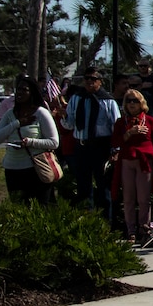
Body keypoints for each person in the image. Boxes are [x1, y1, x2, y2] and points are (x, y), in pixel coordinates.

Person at [0, 77, 60, 204]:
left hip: (35, 169)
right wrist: (17, 123)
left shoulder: (41, 113)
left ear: (32, 92)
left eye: (24, 89)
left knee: (39, 209)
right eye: (18, 89)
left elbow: (54, 142)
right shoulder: (9, 114)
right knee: (19, 208)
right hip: (12, 170)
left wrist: (29, 142)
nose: (20, 93)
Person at [63, 68, 121, 211]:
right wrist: (63, 116)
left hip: (101, 148)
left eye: (93, 79)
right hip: (81, 147)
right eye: (87, 78)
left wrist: (116, 150)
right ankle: (87, 219)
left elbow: (116, 127)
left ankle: (107, 222)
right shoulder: (76, 99)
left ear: (100, 82)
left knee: (103, 186)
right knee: (83, 186)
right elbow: (69, 124)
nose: (89, 82)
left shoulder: (108, 101)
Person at [111, 89, 153, 243]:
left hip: (145, 162)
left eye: (135, 100)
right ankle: (131, 231)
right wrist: (129, 133)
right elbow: (115, 142)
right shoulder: (121, 123)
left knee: (144, 198)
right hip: (127, 161)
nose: (132, 104)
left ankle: (144, 229)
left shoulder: (149, 120)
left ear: (141, 103)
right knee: (128, 198)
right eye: (128, 101)